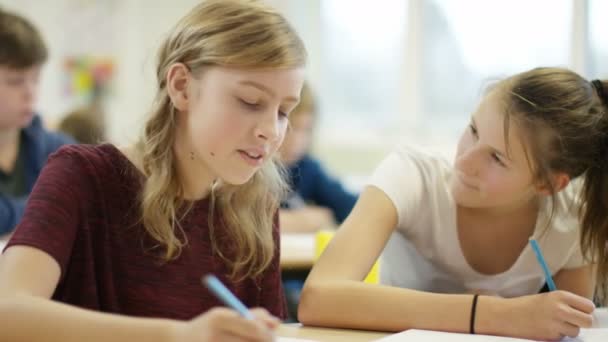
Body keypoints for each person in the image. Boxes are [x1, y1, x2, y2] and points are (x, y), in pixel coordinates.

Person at [0, 1, 306, 341]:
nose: (272, 131)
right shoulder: (81, 175)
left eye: (283, 111)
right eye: (250, 101)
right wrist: (179, 336)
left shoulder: (256, 205)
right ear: (181, 86)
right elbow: (7, 312)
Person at [300, 68, 608, 341]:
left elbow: (569, 329)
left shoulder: (571, 218)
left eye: (497, 158)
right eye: (473, 131)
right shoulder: (412, 175)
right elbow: (318, 299)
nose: (464, 160)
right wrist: (495, 314)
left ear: (549, 184)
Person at [0, 9, 73, 236]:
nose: (30, 93)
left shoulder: (59, 149)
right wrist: (50, 205)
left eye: (36, 79)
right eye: (15, 81)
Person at [279, 82, 357, 233]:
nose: (298, 140)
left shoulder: (308, 168)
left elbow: (351, 208)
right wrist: (300, 221)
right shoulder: (251, 169)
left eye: (306, 130)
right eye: (291, 128)